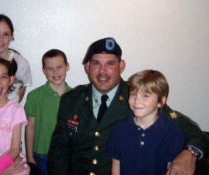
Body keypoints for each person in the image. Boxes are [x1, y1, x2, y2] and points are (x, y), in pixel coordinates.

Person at [48, 37, 209, 175]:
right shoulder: (71, 100)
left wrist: (190, 153)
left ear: (121, 66)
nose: (102, 71)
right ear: (87, 68)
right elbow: (59, 150)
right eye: (96, 63)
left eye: (110, 64)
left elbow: (194, 133)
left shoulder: (138, 99)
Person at [107, 70, 184, 175]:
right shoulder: (120, 130)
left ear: (161, 101)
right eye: (133, 94)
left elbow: (172, 169)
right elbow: (116, 169)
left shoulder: (172, 132)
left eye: (145, 96)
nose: (137, 101)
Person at [24, 49, 71, 175]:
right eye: (50, 68)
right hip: (41, 155)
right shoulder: (34, 96)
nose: (55, 72)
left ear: (67, 66)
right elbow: (30, 128)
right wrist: (29, 157)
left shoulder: (75, 96)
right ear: (44, 70)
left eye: (59, 67)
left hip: (66, 156)